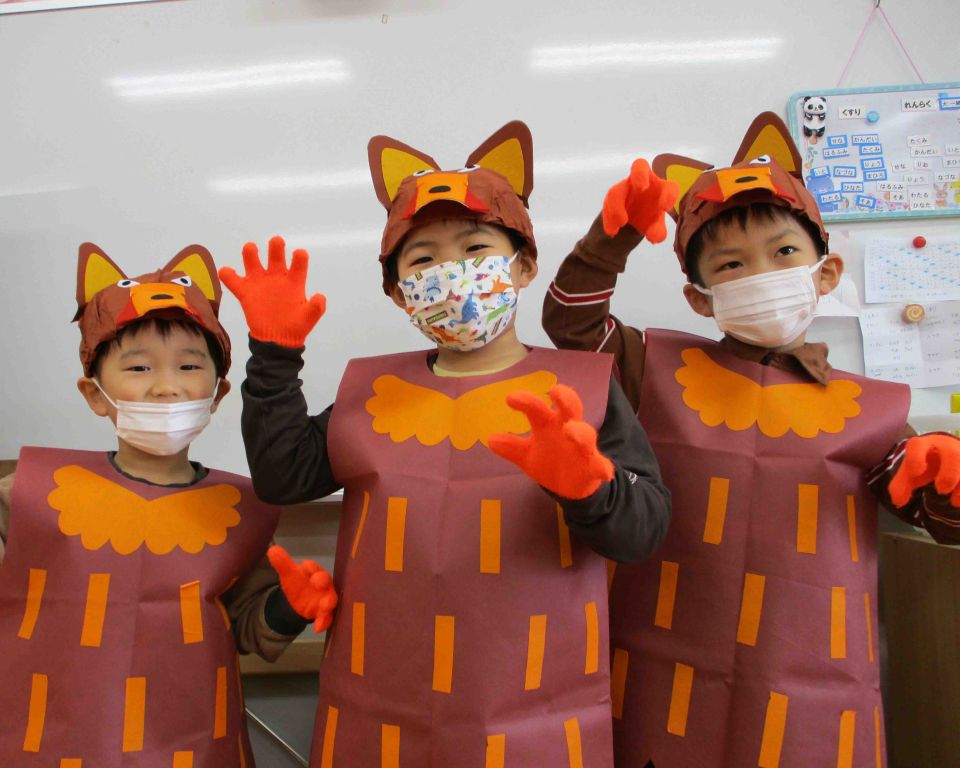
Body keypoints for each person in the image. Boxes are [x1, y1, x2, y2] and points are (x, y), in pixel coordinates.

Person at [221, 120, 671, 767]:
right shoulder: (373, 395)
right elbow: (282, 475)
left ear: (523, 266)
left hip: (536, 709)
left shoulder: (582, 389)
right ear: (399, 291)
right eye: (423, 259)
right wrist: (273, 357)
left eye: (475, 247)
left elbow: (644, 532)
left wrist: (593, 490)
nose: (451, 272)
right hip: (383, 704)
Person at [542, 111, 960, 767]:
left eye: (784, 253)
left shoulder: (870, 410)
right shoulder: (652, 369)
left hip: (810, 685)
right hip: (662, 669)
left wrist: (944, 481)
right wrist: (610, 240)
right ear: (700, 298)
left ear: (826, 273)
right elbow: (572, 326)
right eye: (731, 264)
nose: (759, 275)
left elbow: (933, 518)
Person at [0, 243, 336, 767]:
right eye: (140, 367)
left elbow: (246, 629)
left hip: (187, 745)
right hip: (50, 744)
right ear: (95, 394)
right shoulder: (40, 494)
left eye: (188, 366)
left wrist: (286, 609)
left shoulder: (238, 512)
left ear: (217, 394)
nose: (166, 388)